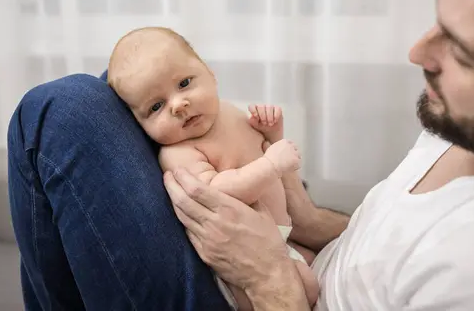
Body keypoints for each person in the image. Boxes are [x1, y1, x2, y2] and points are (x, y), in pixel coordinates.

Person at [7, 0, 474, 309]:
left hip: (266, 292)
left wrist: (269, 280)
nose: (418, 54)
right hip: (284, 247)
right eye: (438, 20)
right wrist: (309, 221)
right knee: (132, 77)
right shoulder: (470, 124)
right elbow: (392, 246)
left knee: (61, 112)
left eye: (463, 55)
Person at [105, 27, 319, 309]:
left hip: (276, 237)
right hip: (239, 261)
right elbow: (218, 193)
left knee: (314, 262)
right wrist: (272, 164)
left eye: (184, 84)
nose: (179, 105)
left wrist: (272, 133)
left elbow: (261, 148)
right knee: (310, 287)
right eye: (156, 106)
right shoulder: (178, 153)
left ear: (210, 73)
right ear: (139, 124)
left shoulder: (225, 111)